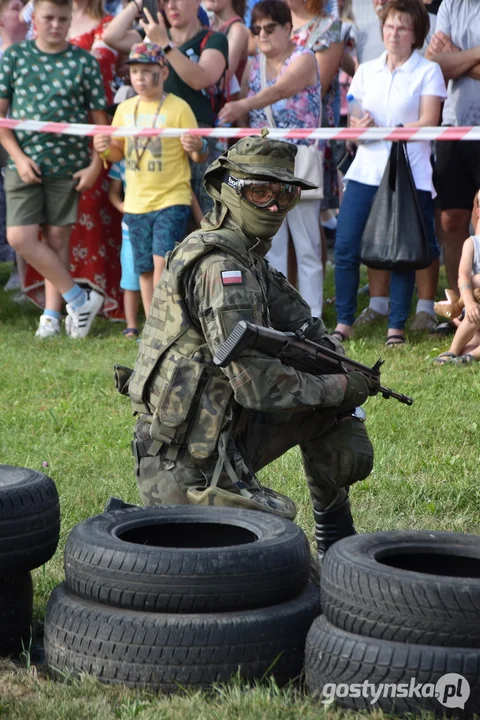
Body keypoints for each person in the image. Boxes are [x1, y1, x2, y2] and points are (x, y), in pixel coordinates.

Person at [116, 135, 378, 563]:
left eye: (286, 194)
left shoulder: (247, 257)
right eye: (259, 191)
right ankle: (161, 524)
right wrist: (343, 387)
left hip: (224, 435)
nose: (273, 206)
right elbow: (258, 388)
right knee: (286, 567)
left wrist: (338, 369)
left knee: (330, 409)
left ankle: (336, 540)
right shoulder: (222, 269)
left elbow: (308, 329)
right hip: (185, 465)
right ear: (225, 190)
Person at [332, 0, 447, 348]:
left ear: (415, 35)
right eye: (389, 27)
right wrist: (358, 124)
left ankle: (396, 327)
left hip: (410, 176)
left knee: (404, 250)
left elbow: (430, 119)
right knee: (346, 247)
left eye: (402, 28)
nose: (393, 33)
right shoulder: (365, 70)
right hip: (366, 171)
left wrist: (392, 129)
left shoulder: (428, 71)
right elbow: (354, 114)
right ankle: (343, 323)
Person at [0, 0, 108, 338]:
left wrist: (95, 166)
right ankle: (78, 297)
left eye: (63, 19)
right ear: (35, 18)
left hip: (69, 165)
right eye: (48, 18)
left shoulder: (84, 61)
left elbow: (100, 124)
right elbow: (2, 119)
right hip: (23, 162)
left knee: (58, 238)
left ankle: (52, 315)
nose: (56, 25)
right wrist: (17, 157)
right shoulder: (14, 57)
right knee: (19, 237)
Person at [20, 0, 125, 320]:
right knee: (51, 228)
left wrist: (134, 6)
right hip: (50, 139)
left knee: (91, 216)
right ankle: (62, 306)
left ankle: (98, 296)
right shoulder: (49, 23)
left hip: (96, 132)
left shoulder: (113, 24)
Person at [219, 0, 323, 317]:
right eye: (258, 29)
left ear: (288, 28)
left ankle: (313, 317)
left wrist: (242, 106)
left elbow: (280, 90)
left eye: (269, 28)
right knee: (269, 245)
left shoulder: (304, 58)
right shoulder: (253, 65)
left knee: (307, 246)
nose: (262, 34)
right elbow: (242, 112)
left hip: (300, 161)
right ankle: (275, 316)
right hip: (263, 165)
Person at [93, 42, 208, 316]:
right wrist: (104, 148)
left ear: (163, 72)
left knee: (161, 263)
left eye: (147, 71)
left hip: (172, 198)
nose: (140, 78)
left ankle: (162, 323)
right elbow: (118, 153)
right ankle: (153, 328)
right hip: (135, 203)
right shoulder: (124, 109)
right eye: (134, 72)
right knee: (144, 268)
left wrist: (197, 146)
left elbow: (199, 156)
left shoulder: (179, 108)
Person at [102, 0, 228, 215]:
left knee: (204, 213)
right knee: (166, 214)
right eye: (164, 1)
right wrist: (138, 4)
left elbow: (201, 79)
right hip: (156, 131)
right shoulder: (152, 35)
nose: (171, 6)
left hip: (194, 132)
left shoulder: (213, 39)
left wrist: (166, 45)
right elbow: (111, 37)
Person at [426, 0, 480, 297]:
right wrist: (474, 56)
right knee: (451, 219)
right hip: (453, 126)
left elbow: (447, 61)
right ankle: (458, 305)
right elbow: (434, 64)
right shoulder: (450, 4)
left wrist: (456, 58)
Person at [433, 192, 480, 365]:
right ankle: (453, 351)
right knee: (475, 316)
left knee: (472, 347)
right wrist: (468, 302)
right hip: (475, 307)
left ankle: (469, 357)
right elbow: (464, 276)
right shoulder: (472, 243)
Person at [108, 158, 141, 338]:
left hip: (155, 224)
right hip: (130, 228)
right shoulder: (120, 161)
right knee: (130, 279)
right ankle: (131, 325)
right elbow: (113, 192)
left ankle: (156, 323)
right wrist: (122, 206)